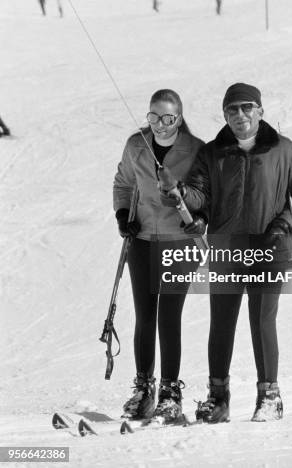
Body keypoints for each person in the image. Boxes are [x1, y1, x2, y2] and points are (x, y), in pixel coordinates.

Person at [160, 83, 292, 423]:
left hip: (269, 248)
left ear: (260, 111)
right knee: (221, 323)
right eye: (232, 109)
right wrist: (182, 194)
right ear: (225, 115)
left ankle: (269, 397)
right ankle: (218, 399)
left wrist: (284, 224)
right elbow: (201, 196)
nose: (240, 115)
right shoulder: (214, 153)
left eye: (247, 107)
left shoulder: (283, 150)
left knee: (262, 321)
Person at [113, 89, 204, 424]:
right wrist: (124, 215)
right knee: (144, 315)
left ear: (178, 118)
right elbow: (123, 183)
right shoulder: (136, 144)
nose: (160, 125)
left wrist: (196, 214)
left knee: (169, 315)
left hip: (179, 241)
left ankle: (170, 392)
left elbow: (204, 196)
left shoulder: (196, 150)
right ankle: (143, 388)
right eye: (154, 117)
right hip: (143, 240)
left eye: (168, 118)